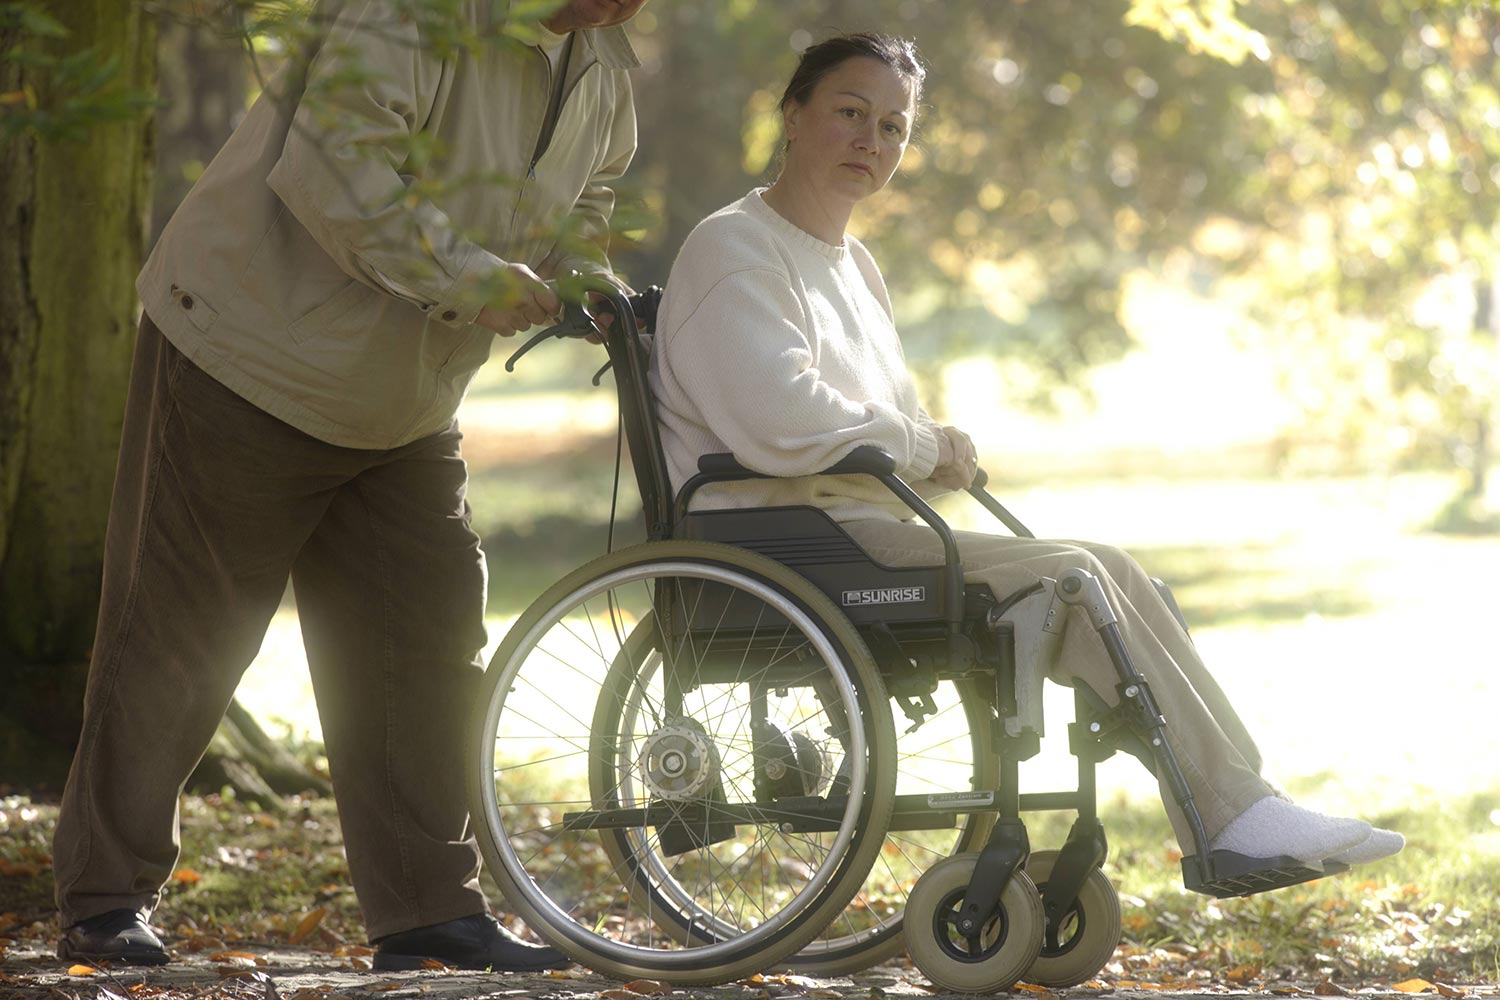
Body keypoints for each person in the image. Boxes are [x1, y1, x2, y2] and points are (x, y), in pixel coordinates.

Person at [649, 32, 1404, 875]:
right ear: (793, 116)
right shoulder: (734, 247)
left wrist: (932, 442)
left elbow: (873, 414)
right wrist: (919, 442)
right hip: (780, 541)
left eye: (894, 128)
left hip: (848, 524)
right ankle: (1231, 815)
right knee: (1070, 577)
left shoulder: (852, 264)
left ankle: (1246, 805)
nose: (872, 141)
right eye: (850, 114)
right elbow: (782, 416)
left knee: (1110, 566)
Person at [53, 0, 650, 972]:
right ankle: (103, 897)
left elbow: (587, 206)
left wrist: (581, 273)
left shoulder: (604, 73)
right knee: (179, 636)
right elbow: (338, 175)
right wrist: (473, 276)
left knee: (425, 638)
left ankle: (426, 911)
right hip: (252, 353)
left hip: (406, 402)